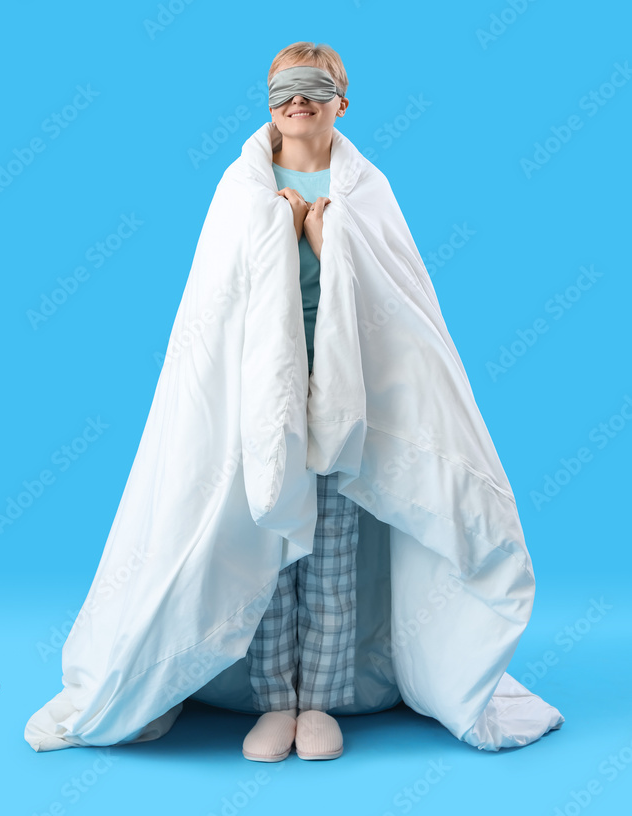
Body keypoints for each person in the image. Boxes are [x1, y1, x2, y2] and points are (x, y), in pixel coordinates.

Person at [242, 42, 358, 763]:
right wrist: (275, 230)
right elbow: (221, 297)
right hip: (261, 392)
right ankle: (270, 702)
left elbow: (389, 295)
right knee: (264, 542)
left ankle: (317, 699)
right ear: (269, 100)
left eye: (317, 87)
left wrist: (318, 230)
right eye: (286, 85)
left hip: (341, 392)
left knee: (333, 553)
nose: (300, 96)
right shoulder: (242, 189)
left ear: (340, 103)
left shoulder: (364, 188)